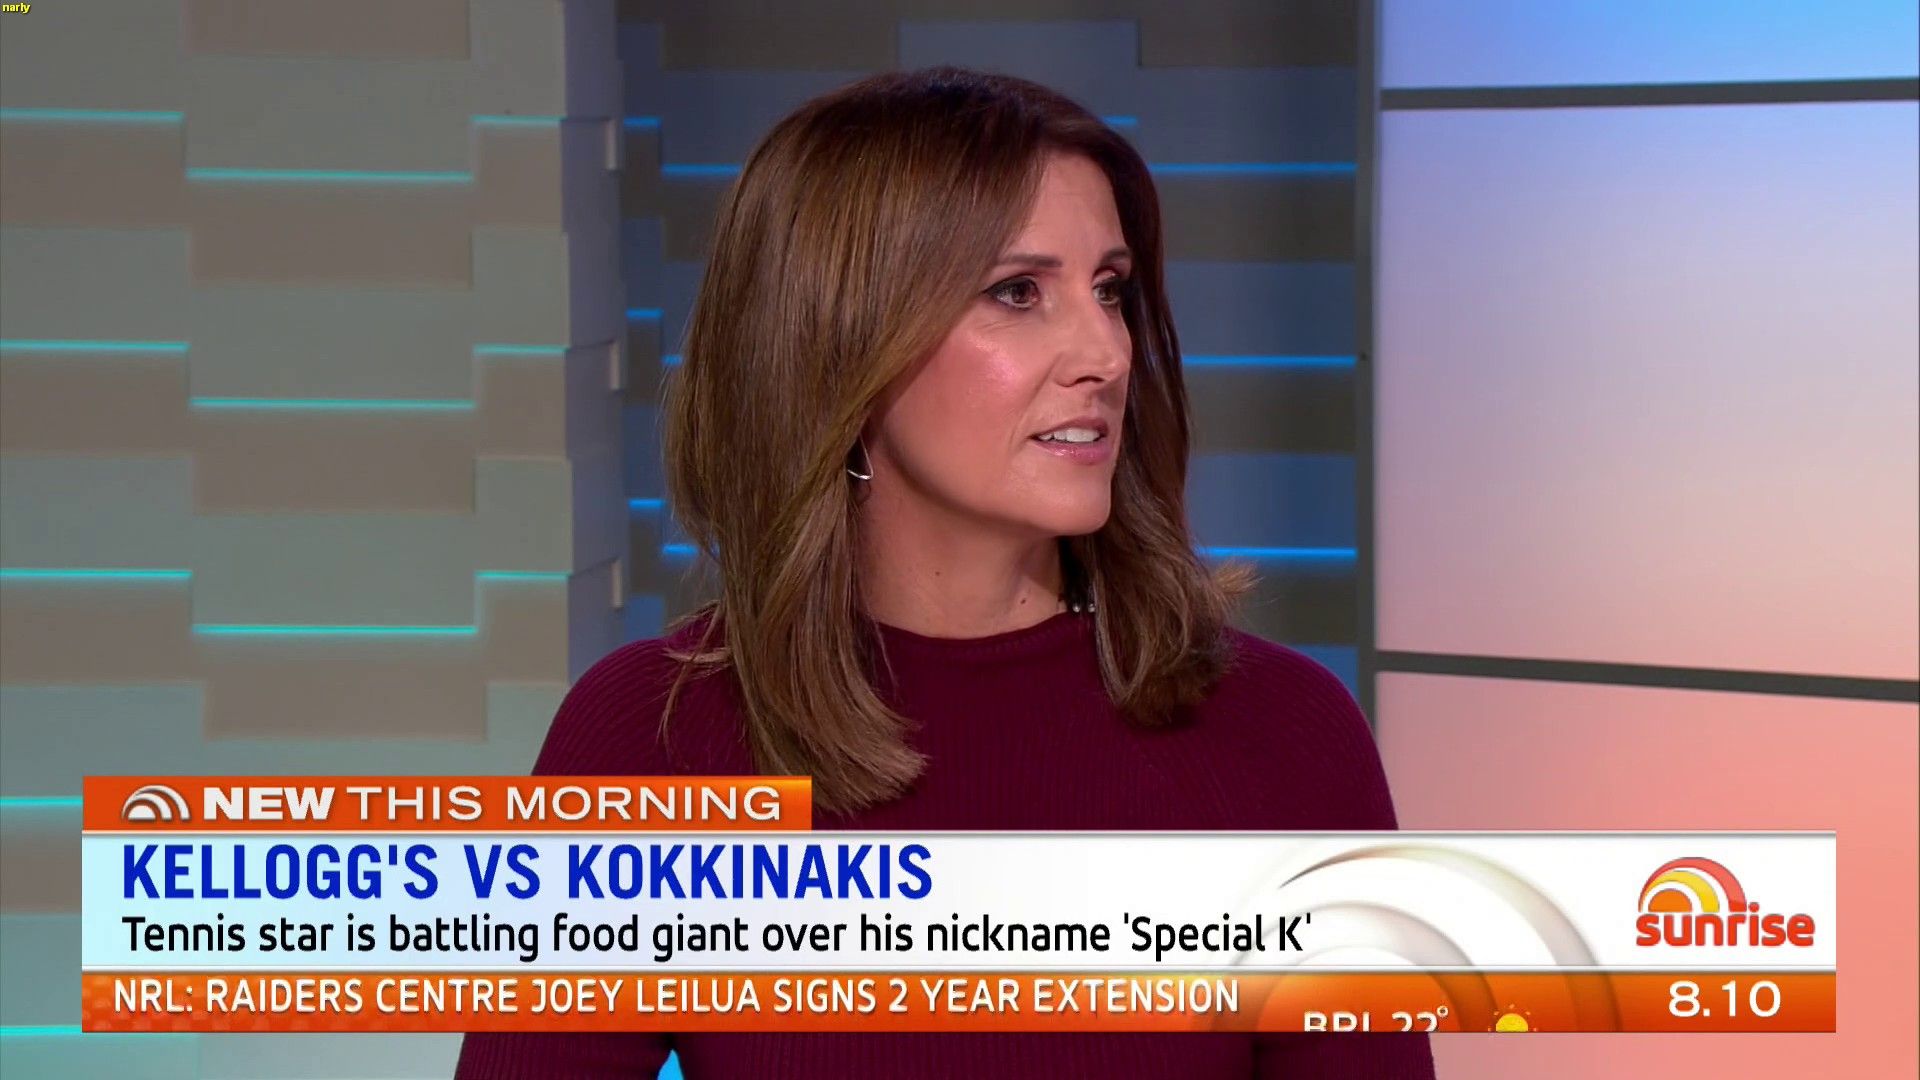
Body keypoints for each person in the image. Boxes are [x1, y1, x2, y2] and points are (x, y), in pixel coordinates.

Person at [456, 65, 1434, 1079]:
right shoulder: (653, 737)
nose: (1105, 352)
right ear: (842, 347)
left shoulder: (1283, 735)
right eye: (1018, 292)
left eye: (1110, 290)